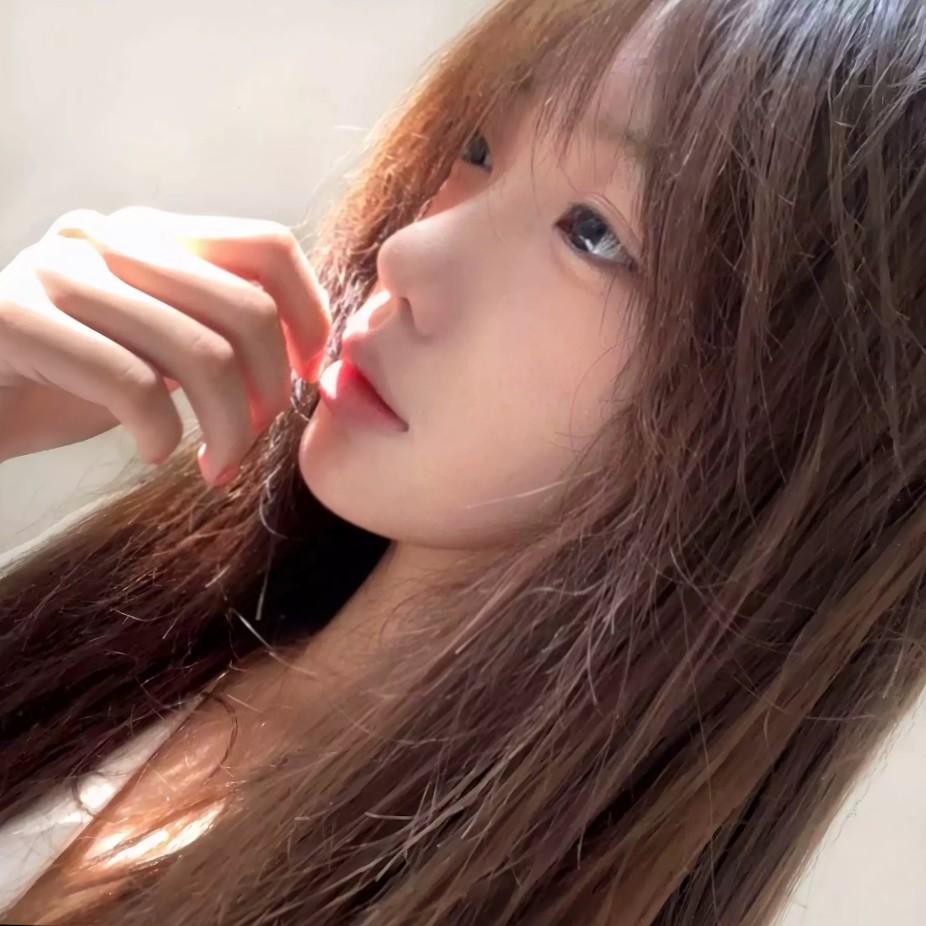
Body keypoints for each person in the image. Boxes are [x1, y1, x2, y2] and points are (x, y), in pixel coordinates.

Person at [0, 0, 924, 922]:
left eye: (594, 233)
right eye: (478, 146)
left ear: (790, 433)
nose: (408, 251)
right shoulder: (152, 636)